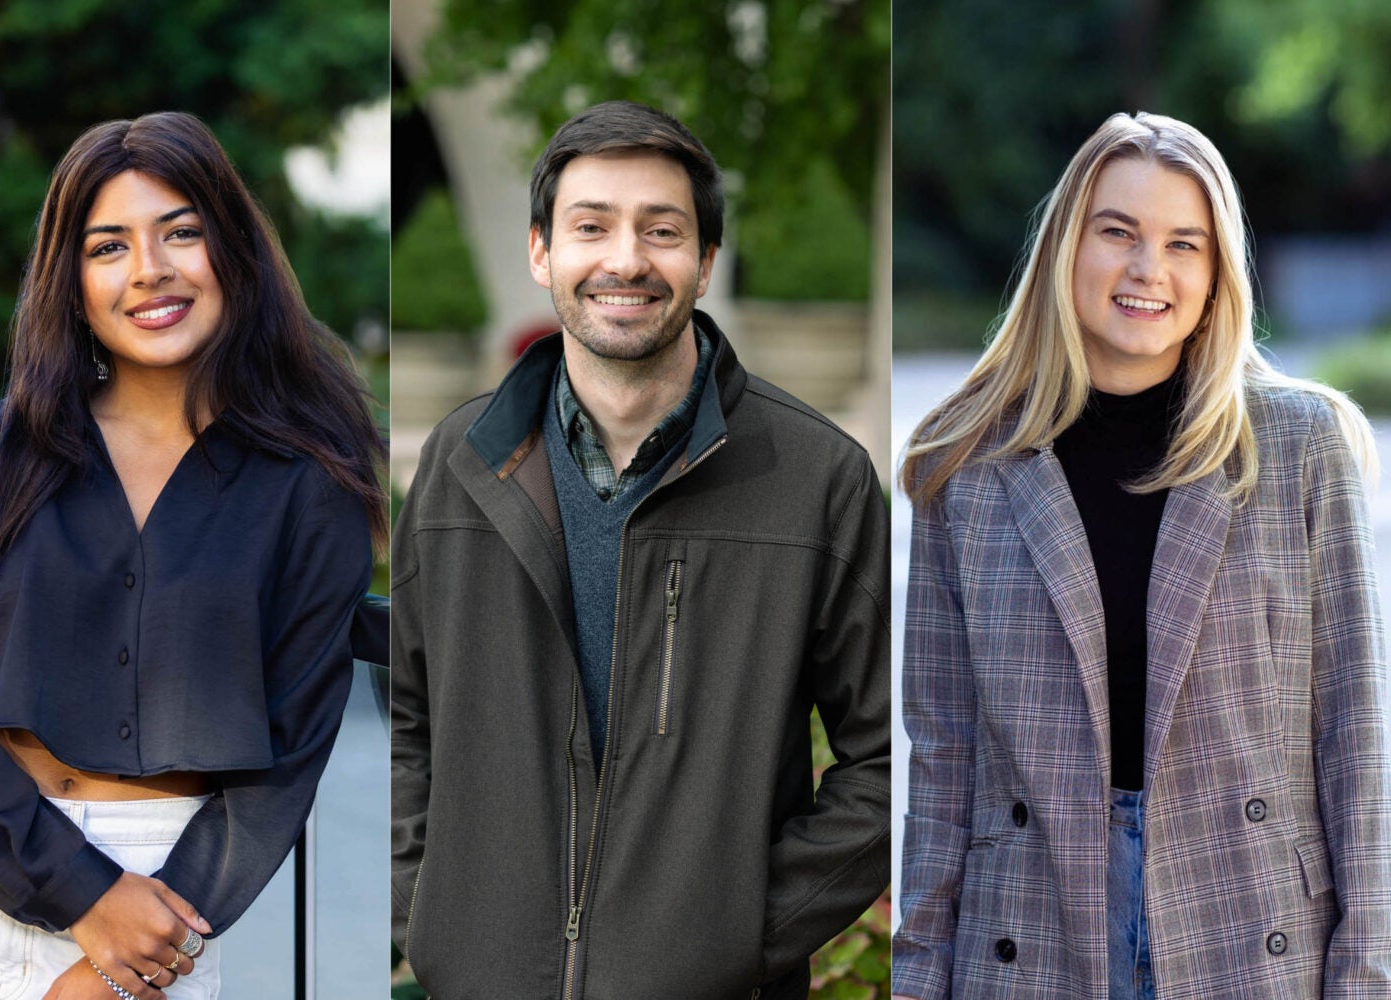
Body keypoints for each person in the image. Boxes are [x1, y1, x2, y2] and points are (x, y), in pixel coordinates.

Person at [390, 100, 891, 998]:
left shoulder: (819, 479)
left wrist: (737, 934)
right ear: (542, 250)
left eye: (661, 230)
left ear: (704, 262)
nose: (625, 259)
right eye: (592, 227)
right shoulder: (459, 465)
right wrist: (429, 917)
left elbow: (894, 757)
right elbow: (407, 719)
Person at [891, 111, 1391, 999]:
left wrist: (1366, 978)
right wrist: (917, 976)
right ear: (1064, 248)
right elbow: (942, 766)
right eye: (1116, 231)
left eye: (1183, 244)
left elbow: (1359, 744)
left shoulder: (1303, 448)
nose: (1146, 269)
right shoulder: (959, 466)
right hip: (1030, 943)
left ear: (1216, 275)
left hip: (1252, 935)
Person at [0, 112, 387, 999]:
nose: (150, 270)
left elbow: (286, 755)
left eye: (182, 233)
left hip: (159, 902)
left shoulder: (309, 487)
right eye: (108, 245)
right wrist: (75, 891)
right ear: (71, 279)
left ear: (232, 250)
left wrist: (126, 957)